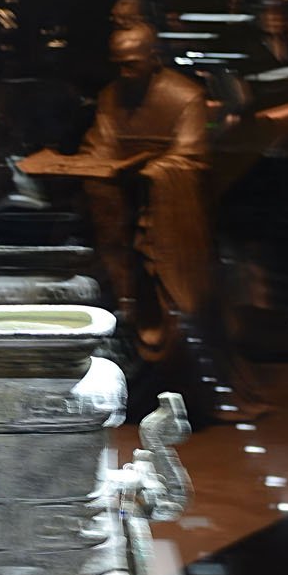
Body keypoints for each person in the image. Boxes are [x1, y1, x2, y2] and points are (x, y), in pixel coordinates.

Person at [79, 22, 211, 365]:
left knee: (168, 287)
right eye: (118, 65)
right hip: (122, 204)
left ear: (154, 58)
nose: (124, 73)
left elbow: (191, 156)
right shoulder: (111, 96)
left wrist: (149, 171)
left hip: (165, 207)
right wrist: (88, 163)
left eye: (131, 64)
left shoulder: (186, 96)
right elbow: (101, 143)